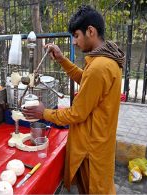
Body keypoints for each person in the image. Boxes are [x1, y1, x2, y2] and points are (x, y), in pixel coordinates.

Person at [22, 5, 125, 194]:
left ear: (91, 31)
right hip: (102, 141)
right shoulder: (108, 59)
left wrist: (43, 112)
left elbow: (77, 113)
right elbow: (86, 80)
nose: (75, 42)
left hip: (92, 148)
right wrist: (62, 59)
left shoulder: (99, 67)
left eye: (76, 36)